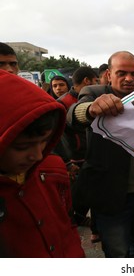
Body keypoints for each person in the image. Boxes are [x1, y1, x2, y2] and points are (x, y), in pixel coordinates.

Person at [67, 51, 134, 258]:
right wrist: (91, 109)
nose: (129, 79)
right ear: (108, 74)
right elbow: (73, 114)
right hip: (112, 195)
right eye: (121, 73)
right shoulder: (95, 92)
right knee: (118, 253)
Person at [0, 70, 85, 257]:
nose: (38, 156)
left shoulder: (53, 168)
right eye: (23, 147)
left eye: (45, 141)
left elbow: (68, 225)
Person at [57, 66, 99, 241]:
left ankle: (96, 229)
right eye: (96, 81)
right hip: (75, 159)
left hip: (92, 155)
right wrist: (67, 161)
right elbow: (58, 136)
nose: (98, 84)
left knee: (96, 193)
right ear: (87, 81)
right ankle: (73, 225)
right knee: (77, 197)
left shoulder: (95, 98)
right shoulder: (63, 103)